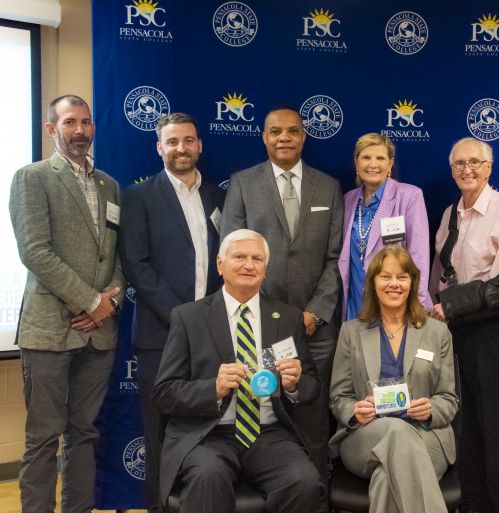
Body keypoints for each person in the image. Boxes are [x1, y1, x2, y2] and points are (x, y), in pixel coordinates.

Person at [152, 229, 322, 513]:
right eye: (239, 257)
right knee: (208, 476)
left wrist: (293, 385)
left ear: (266, 269)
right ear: (220, 265)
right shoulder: (188, 317)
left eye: (257, 259)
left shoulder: (288, 317)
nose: (248, 265)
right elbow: (163, 393)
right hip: (207, 434)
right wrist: (213, 389)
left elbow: (312, 385)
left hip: (268, 434)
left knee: (303, 481)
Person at [9, 94, 124, 513]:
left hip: (98, 334)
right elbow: (35, 251)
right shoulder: (32, 177)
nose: (80, 131)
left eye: (87, 122)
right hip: (49, 330)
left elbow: (114, 256)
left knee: (84, 433)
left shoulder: (109, 184)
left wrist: (107, 302)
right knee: (43, 438)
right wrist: (91, 301)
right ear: (51, 128)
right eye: (70, 122)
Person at [220, 106, 344, 489]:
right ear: (264, 137)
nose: (284, 138)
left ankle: (315, 494)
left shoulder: (329, 186)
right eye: (276, 131)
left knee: (312, 410)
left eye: (292, 131)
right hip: (261, 325)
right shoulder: (242, 183)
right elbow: (233, 251)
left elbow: (335, 258)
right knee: (263, 407)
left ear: (304, 136)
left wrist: (316, 313)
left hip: (316, 327)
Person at [119, 112, 225, 513]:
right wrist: (183, 318)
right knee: (159, 432)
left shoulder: (218, 196)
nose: (182, 148)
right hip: (160, 336)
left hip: (214, 335)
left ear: (199, 145)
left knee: (213, 430)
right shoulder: (139, 197)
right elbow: (138, 267)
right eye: (173, 142)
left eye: (189, 141)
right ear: (159, 147)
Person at [429, 137, 499, 513]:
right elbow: (440, 274)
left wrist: (451, 305)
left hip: (491, 332)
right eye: (459, 164)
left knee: (496, 427)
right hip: (452, 331)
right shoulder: (450, 212)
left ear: (489, 167)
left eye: (475, 163)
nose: (466, 170)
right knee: (463, 424)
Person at [330, 246, 457, 513]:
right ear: (373, 282)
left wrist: (430, 409)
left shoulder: (437, 332)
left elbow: (448, 399)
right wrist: (354, 410)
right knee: (395, 432)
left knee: (386, 478)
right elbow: (338, 397)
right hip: (365, 436)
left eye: (402, 277)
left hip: (427, 436)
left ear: (412, 282)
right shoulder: (351, 332)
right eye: (385, 277)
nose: (394, 284)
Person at [339, 133, 431, 321]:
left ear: (390, 164)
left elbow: (419, 257)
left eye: (380, 158)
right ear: (356, 163)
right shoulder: (348, 200)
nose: (373, 164)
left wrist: (416, 306)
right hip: (355, 303)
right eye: (366, 157)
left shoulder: (409, 196)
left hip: (395, 306)